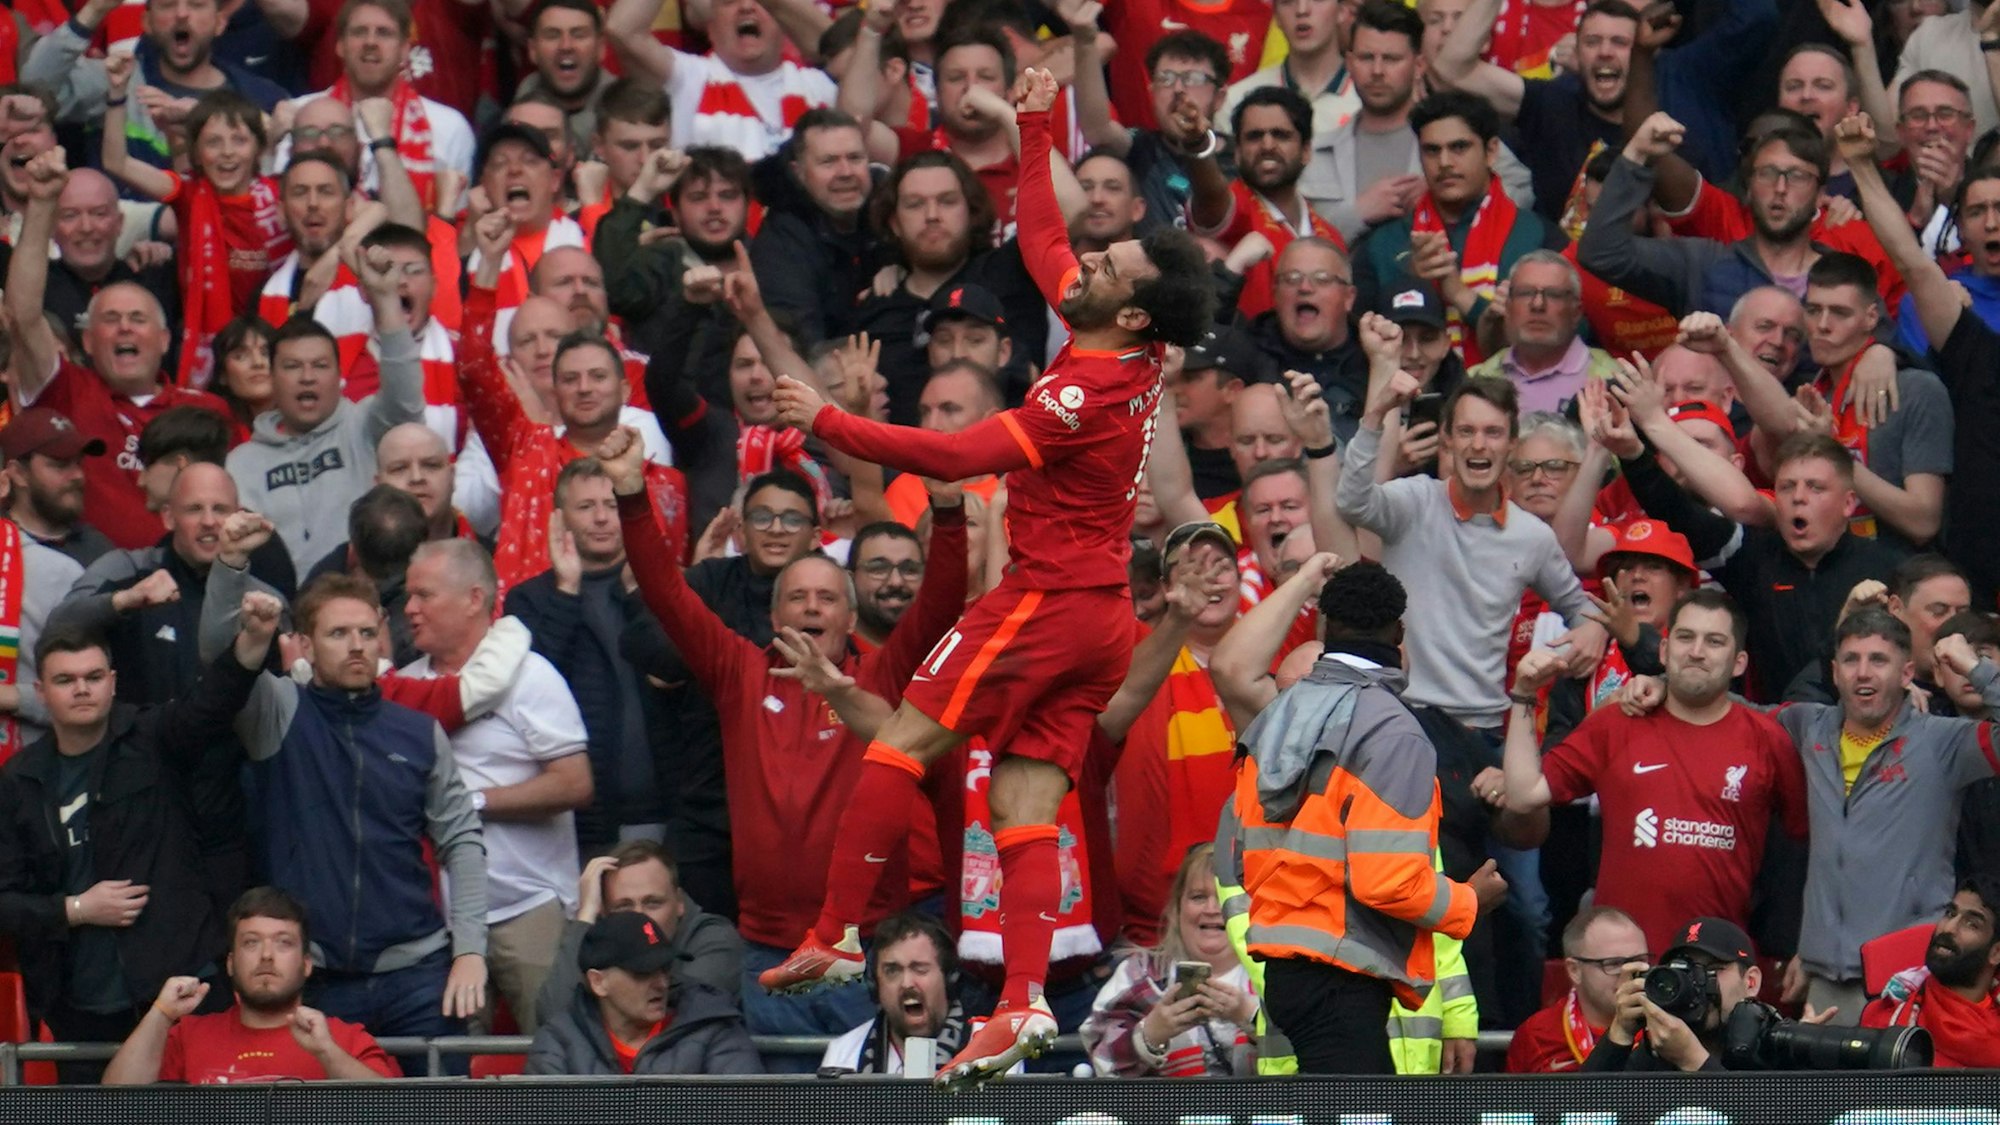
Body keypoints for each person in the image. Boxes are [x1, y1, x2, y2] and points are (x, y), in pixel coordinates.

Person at [759, 69, 1214, 1087]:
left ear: (1133, 313)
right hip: (1094, 616)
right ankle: (1016, 1006)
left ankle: (835, 930)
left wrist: (823, 422)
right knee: (1022, 801)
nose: (1091, 259)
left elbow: (961, 458)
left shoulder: (1090, 385)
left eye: (1116, 261)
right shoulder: (1119, 343)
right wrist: (1039, 122)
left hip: (1045, 604)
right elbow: (1047, 244)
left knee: (900, 743)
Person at [605, 422, 968, 1036]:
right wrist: (630, 495)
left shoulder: (879, 677)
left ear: (852, 616)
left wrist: (951, 511)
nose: (811, 609)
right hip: (768, 954)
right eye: (797, 598)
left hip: (866, 954)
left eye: (827, 599)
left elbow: (939, 603)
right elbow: (667, 596)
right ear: (772, 615)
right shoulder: (737, 673)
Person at [1224, 561, 1504, 1073]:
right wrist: (1469, 901)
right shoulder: (1390, 731)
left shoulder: (1273, 719)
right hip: (1340, 976)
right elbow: (1389, 882)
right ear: (1399, 633)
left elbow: (1242, 857)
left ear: (1324, 629)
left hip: (1286, 974)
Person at [0, 589, 279, 1074]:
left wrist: (253, 642)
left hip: (181, 985)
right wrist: (77, 909)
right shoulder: (18, 779)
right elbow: (4, 901)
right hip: (79, 1007)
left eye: (92, 677)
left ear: (112, 683)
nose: (81, 689)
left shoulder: (150, 737)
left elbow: (208, 707)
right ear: (41, 692)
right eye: (65, 680)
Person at [228, 569, 493, 1042]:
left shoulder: (419, 732)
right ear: (305, 646)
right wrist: (231, 571)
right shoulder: (280, 711)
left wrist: (470, 950)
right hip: (315, 975)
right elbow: (219, 659)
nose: (356, 646)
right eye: (338, 633)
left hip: (419, 972)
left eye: (368, 632)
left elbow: (462, 841)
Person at [1499, 589, 1809, 951]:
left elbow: (1804, 843)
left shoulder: (1769, 739)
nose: (1696, 651)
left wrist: (1791, 943)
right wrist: (1523, 694)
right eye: (1685, 637)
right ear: (1663, 651)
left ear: (1739, 662)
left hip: (1715, 960)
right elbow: (1523, 795)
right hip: (1619, 963)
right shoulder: (1616, 722)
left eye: (1714, 641)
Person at [402, 538, 590, 1033]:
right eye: (409, 596)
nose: (409, 609)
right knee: (455, 1078)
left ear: (474, 598)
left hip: (528, 908)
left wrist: (472, 803)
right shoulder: (404, 686)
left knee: (554, 1057)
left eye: (424, 595)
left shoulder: (531, 677)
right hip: (438, 924)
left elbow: (575, 783)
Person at [5, 146, 233, 550]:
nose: (124, 328)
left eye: (138, 319)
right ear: (88, 341)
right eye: (110, 321)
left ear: (165, 340)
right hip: (92, 582)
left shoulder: (207, 413)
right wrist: (41, 203)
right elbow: (23, 315)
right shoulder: (67, 390)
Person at [1430, 0, 1774, 216]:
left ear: (1647, 50)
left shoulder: (1682, 87)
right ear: (1575, 54)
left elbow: (1758, 15)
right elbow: (1453, 68)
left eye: (1620, 43)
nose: (1605, 52)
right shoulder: (1550, 104)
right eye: (1592, 42)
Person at [227, 251, 428, 574]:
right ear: (273, 379)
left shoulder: (365, 426)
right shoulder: (240, 463)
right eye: (292, 367)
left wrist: (387, 299)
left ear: (338, 376)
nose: (307, 377)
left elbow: (405, 395)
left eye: (320, 366)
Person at [504, 459, 662, 850]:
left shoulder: (663, 588)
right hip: (582, 823)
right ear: (560, 519)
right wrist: (566, 592)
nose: (603, 518)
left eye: (612, 505)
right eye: (587, 507)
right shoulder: (531, 600)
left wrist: (639, 596)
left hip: (667, 810)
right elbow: (531, 694)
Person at [1351, 91, 1567, 364]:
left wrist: (1458, 293)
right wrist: (1412, 282)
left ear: (1491, 152)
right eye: (1432, 150)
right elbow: (1359, 342)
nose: (1444, 163)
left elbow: (1570, 334)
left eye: (1459, 147)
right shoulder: (1383, 243)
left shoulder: (1540, 238)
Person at [102, 886, 400, 1083]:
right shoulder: (190, 1034)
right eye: (251, 943)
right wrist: (162, 1012)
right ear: (230, 963)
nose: (267, 956)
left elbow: (394, 1112)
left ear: (306, 964)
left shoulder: (344, 1039)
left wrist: (326, 1052)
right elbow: (116, 1101)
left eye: (283, 943)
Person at [1082, 843, 1259, 1076]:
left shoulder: (1275, 974)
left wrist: (1249, 1016)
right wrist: (1151, 1033)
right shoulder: (1140, 973)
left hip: (1258, 1111)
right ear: (1177, 908)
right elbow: (1100, 1062)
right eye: (1198, 897)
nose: (1212, 909)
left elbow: (1309, 1055)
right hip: (1162, 1112)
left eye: (1225, 898)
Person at [282, 0, 476, 211]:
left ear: (404, 49)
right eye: (359, 32)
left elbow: (456, 230)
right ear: (340, 45)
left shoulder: (449, 127)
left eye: (384, 33)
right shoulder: (300, 116)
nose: (371, 42)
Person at [536, 840, 744, 1026]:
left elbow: (686, 1013)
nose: (639, 919)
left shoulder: (714, 938)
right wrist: (585, 915)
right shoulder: (598, 939)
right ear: (605, 912)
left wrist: (608, 1000)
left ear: (679, 902)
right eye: (624, 907)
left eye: (653, 903)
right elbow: (554, 1013)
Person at [527, 911, 762, 1075]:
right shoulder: (558, 1041)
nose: (661, 983)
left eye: (664, 969)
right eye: (642, 973)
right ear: (598, 982)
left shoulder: (713, 1026)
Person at [606, 0, 835, 161]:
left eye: (762, 1)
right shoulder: (688, 77)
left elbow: (848, 49)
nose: (746, 6)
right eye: (729, 1)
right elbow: (622, 30)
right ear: (711, 26)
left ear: (783, 24)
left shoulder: (820, 86)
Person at [1583, 916, 1807, 1071]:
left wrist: (1692, 1060)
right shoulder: (1659, 1049)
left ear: (1750, 981)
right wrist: (1620, 1033)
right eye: (1685, 970)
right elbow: (1582, 1112)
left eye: (1713, 970)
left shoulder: (1774, 1045)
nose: (1697, 983)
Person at [748, 108, 880, 346]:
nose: (846, 172)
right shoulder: (781, 244)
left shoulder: (891, 212)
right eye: (828, 161)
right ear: (799, 173)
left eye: (855, 158)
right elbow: (803, 345)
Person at [1861, 874, 2000, 1068]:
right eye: (1951, 914)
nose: (1949, 928)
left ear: (1997, 953)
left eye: (1972, 924)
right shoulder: (1883, 1019)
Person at [820, 910, 979, 1074]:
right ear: (875, 984)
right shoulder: (843, 1054)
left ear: (949, 978)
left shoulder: (992, 1050)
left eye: (920, 969)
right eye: (892, 971)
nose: (907, 983)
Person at [1468, 250, 1618, 415]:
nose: (1538, 304)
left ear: (1576, 312)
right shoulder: (1476, 380)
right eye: (1525, 293)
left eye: (1554, 295)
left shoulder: (1614, 382)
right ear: (1508, 307)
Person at [1506, 906, 1651, 1073]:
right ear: (1574, 970)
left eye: (1639, 960)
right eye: (1613, 964)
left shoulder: (1664, 1030)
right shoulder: (1537, 1035)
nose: (1629, 973)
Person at [1, 408, 115, 567]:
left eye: (79, 463)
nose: (78, 475)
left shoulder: (100, 552)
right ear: (18, 473)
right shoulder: (3, 547)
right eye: (60, 465)